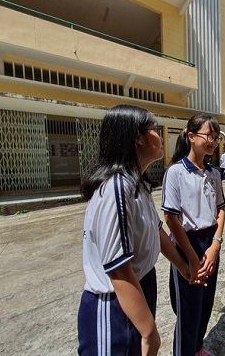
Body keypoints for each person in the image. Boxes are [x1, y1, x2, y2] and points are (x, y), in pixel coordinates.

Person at [77, 105, 190, 356]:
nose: (160, 136)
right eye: (154, 129)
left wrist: (182, 265)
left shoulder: (137, 183)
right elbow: (118, 270)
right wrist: (150, 332)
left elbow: (156, 230)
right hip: (115, 303)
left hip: (139, 287)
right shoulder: (117, 188)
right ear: (137, 137)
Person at [161, 114, 225, 356]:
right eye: (208, 135)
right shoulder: (175, 172)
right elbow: (171, 218)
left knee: (206, 302)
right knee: (188, 309)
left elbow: (220, 209)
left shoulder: (214, 173)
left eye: (216, 137)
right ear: (191, 136)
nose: (212, 141)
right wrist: (190, 256)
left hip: (209, 243)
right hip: (185, 243)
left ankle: (197, 348)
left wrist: (215, 245)